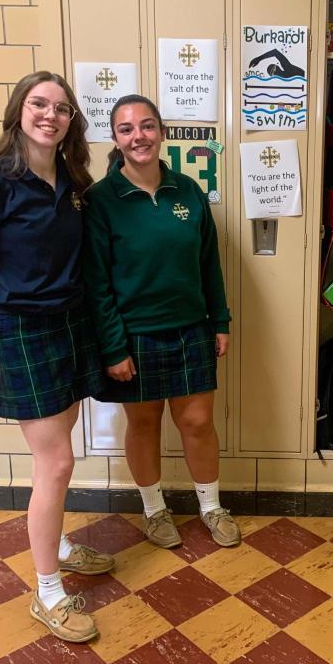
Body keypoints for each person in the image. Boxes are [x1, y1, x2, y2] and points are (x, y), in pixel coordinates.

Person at [0, 71, 112, 643]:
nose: (50, 114)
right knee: (58, 462)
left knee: (60, 444)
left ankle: (61, 544)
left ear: (72, 121)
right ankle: (47, 592)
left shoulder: (70, 179)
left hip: (70, 324)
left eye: (62, 108)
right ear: (18, 109)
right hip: (21, 329)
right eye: (40, 104)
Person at [83, 94, 240, 550]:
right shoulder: (100, 200)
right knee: (144, 424)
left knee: (197, 423)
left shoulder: (188, 191)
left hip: (192, 328)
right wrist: (113, 348)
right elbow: (96, 283)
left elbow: (209, 262)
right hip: (134, 337)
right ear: (115, 138)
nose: (139, 137)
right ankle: (154, 512)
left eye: (147, 126)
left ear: (162, 132)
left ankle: (211, 507)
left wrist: (221, 320)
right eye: (127, 129)